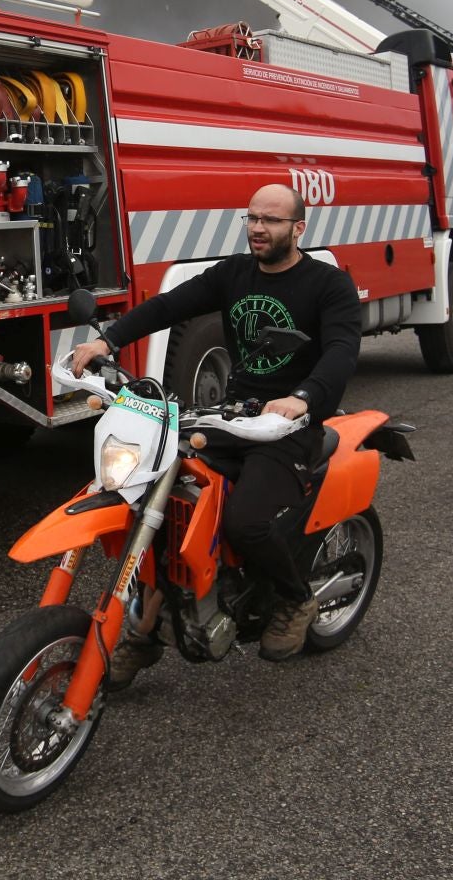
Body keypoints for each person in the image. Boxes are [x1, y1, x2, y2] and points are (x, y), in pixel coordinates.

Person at [70, 183, 361, 678]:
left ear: (298, 228)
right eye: (251, 218)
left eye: (270, 220)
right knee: (154, 502)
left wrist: (302, 398)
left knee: (245, 521)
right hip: (232, 415)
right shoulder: (234, 274)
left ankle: (295, 601)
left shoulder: (328, 285)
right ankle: (147, 631)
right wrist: (108, 340)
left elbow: (341, 351)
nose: (257, 228)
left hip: (288, 426)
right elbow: (168, 306)